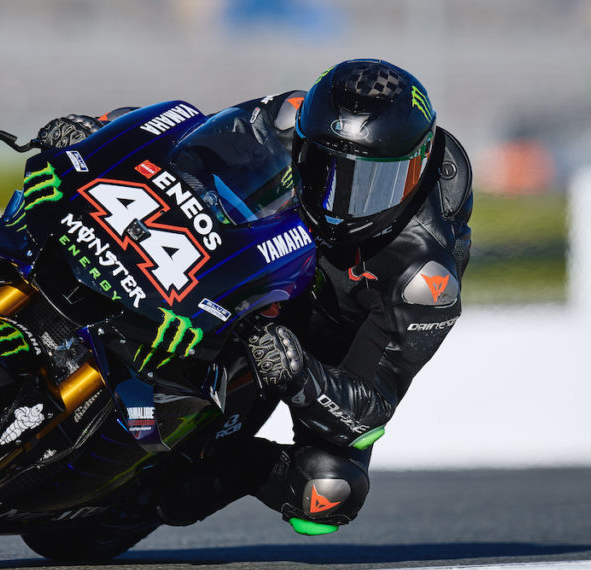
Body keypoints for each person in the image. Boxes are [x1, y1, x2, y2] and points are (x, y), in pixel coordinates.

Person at [36, 59, 472, 535]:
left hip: (323, 349)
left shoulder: (424, 278)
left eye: (371, 186)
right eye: (324, 168)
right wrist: (100, 133)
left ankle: (234, 463)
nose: (339, 200)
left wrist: (300, 373)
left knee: (326, 492)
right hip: (257, 271)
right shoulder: (290, 115)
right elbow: (188, 140)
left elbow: (366, 411)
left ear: (414, 173)